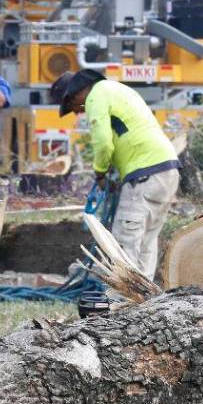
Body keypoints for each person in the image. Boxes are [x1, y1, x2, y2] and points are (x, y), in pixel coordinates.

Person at [50, 68, 179, 277]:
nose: (76, 112)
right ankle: (145, 301)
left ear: (76, 93)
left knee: (124, 242)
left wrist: (100, 173)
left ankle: (122, 300)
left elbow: (102, 143)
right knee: (146, 242)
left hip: (143, 175)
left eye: (72, 105)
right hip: (167, 169)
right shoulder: (117, 90)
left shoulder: (95, 96)